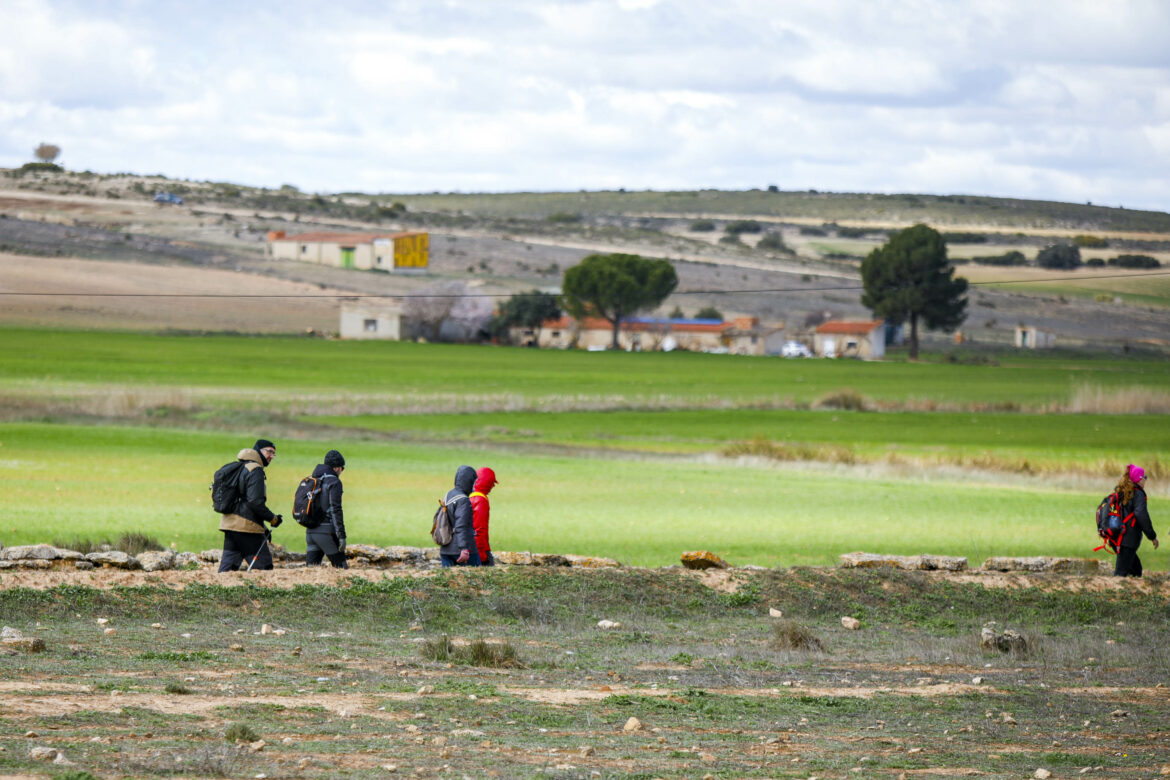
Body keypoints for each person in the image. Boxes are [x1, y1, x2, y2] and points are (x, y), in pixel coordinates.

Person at [218, 439, 282, 572]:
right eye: (269, 451)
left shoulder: (240, 467)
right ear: (258, 450)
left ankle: (217, 592)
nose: (271, 456)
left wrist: (263, 527)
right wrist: (273, 519)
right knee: (265, 567)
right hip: (246, 527)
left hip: (229, 524)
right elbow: (255, 503)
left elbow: (245, 502)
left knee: (227, 570)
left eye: (273, 453)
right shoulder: (255, 470)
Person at [1114, 463, 1158, 577]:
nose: (1146, 480)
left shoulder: (1123, 492)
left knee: (1136, 570)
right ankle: (1113, 594)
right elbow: (1141, 515)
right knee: (1120, 574)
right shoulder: (1138, 494)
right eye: (1145, 477)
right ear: (1139, 479)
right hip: (1127, 539)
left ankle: (1127, 593)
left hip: (1118, 536)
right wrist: (1152, 536)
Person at [306, 449, 348, 568]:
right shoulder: (334, 482)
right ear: (336, 468)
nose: (341, 471)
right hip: (326, 532)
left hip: (310, 532)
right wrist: (341, 535)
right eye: (342, 468)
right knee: (342, 570)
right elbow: (336, 509)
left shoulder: (313, 480)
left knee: (310, 572)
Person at [439, 465, 480, 567]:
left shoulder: (448, 495)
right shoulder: (463, 500)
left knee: (447, 581)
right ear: (469, 481)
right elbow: (461, 525)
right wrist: (464, 549)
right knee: (478, 579)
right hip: (461, 550)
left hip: (446, 549)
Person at [470, 467, 499, 566]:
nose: (493, 486)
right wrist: (482, 555)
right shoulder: (481, 500)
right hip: (480, 549)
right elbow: (480, 530)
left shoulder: (469, 495)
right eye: (492, 482)